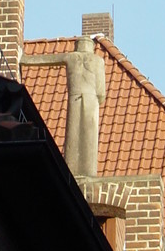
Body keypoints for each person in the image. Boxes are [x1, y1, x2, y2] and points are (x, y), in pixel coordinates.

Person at [20, 36, 105, 177]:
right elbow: (101, 91)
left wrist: (24, 59)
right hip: (91, 99)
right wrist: (97, 99)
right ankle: (88, 171)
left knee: (73, 131)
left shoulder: (71, 57)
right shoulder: (98, 61)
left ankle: (71, 170)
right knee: (89, 135)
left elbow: (47, 60)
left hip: (75, 97)